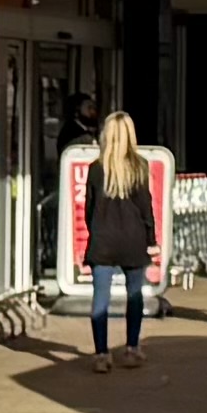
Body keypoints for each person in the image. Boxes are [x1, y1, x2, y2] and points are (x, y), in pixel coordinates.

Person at [82, 111, 160, 370]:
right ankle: (131, 349)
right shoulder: (139, 166)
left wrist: (95, 231)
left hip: (103, 240)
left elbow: (89, 208)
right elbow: (145, 207)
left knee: (100, 299)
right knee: (134, 295)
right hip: (133, 239)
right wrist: (151, 238)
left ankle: (101, 355)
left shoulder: (95, 169)